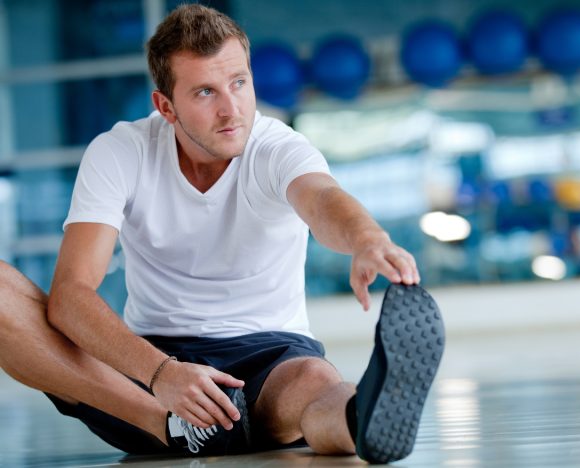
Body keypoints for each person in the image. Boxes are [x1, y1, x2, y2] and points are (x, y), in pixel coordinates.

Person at [0, 4, 444, 464]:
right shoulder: (120, 151)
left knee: (315, 384)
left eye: (239, 83)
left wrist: (367, 238)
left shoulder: (277, 146)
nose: (231, 109)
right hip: (150, 365)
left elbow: (322, 199)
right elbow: (72, 295)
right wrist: (161, 374)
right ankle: (172, 426)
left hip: (271, 356)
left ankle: (360, 416)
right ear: (165, 106)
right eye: (206, 92)